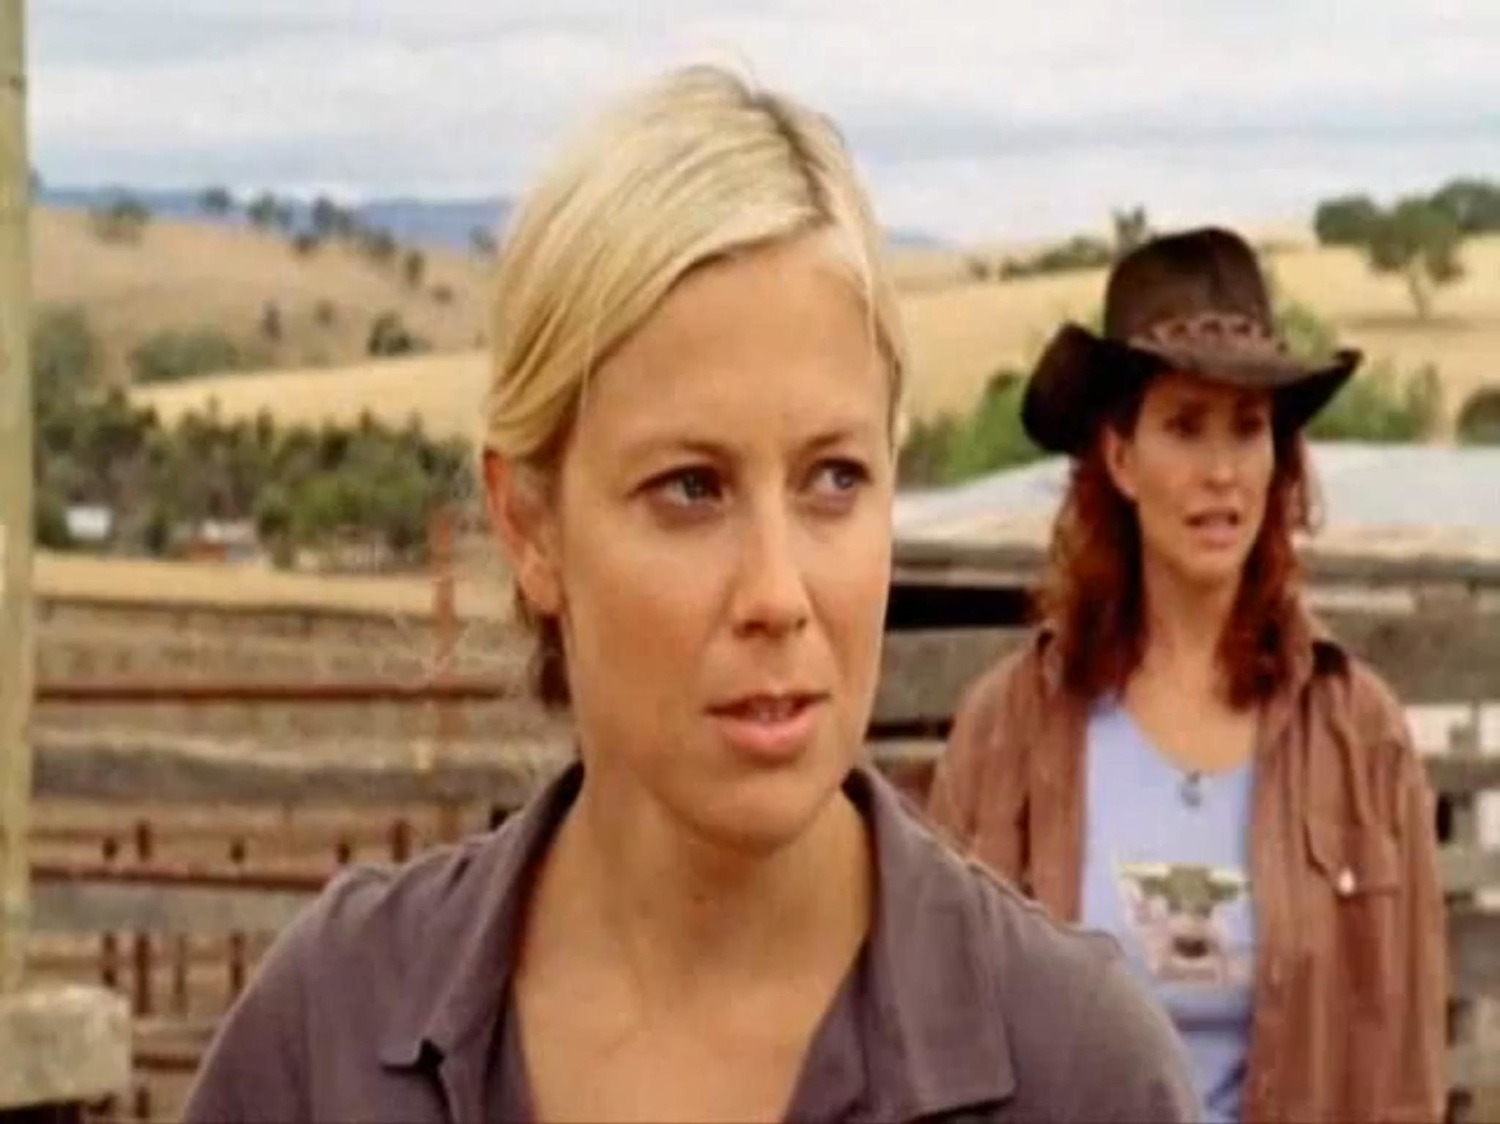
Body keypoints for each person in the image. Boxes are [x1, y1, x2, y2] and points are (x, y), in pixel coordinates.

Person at [181, 65, 1200, 1124]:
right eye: (692, 489)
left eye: (834, 479)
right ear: (529, 524)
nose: (777, 593)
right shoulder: (335, 1035)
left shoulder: (1073, 1072)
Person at [925, 226, 1450, 1124]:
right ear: (1120, 459)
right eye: (1184, 425)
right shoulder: (1007, 729)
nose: (1220, 472)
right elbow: (936, 1041)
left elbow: (1407, 1072)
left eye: (1247, 428)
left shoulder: (1360, 736)